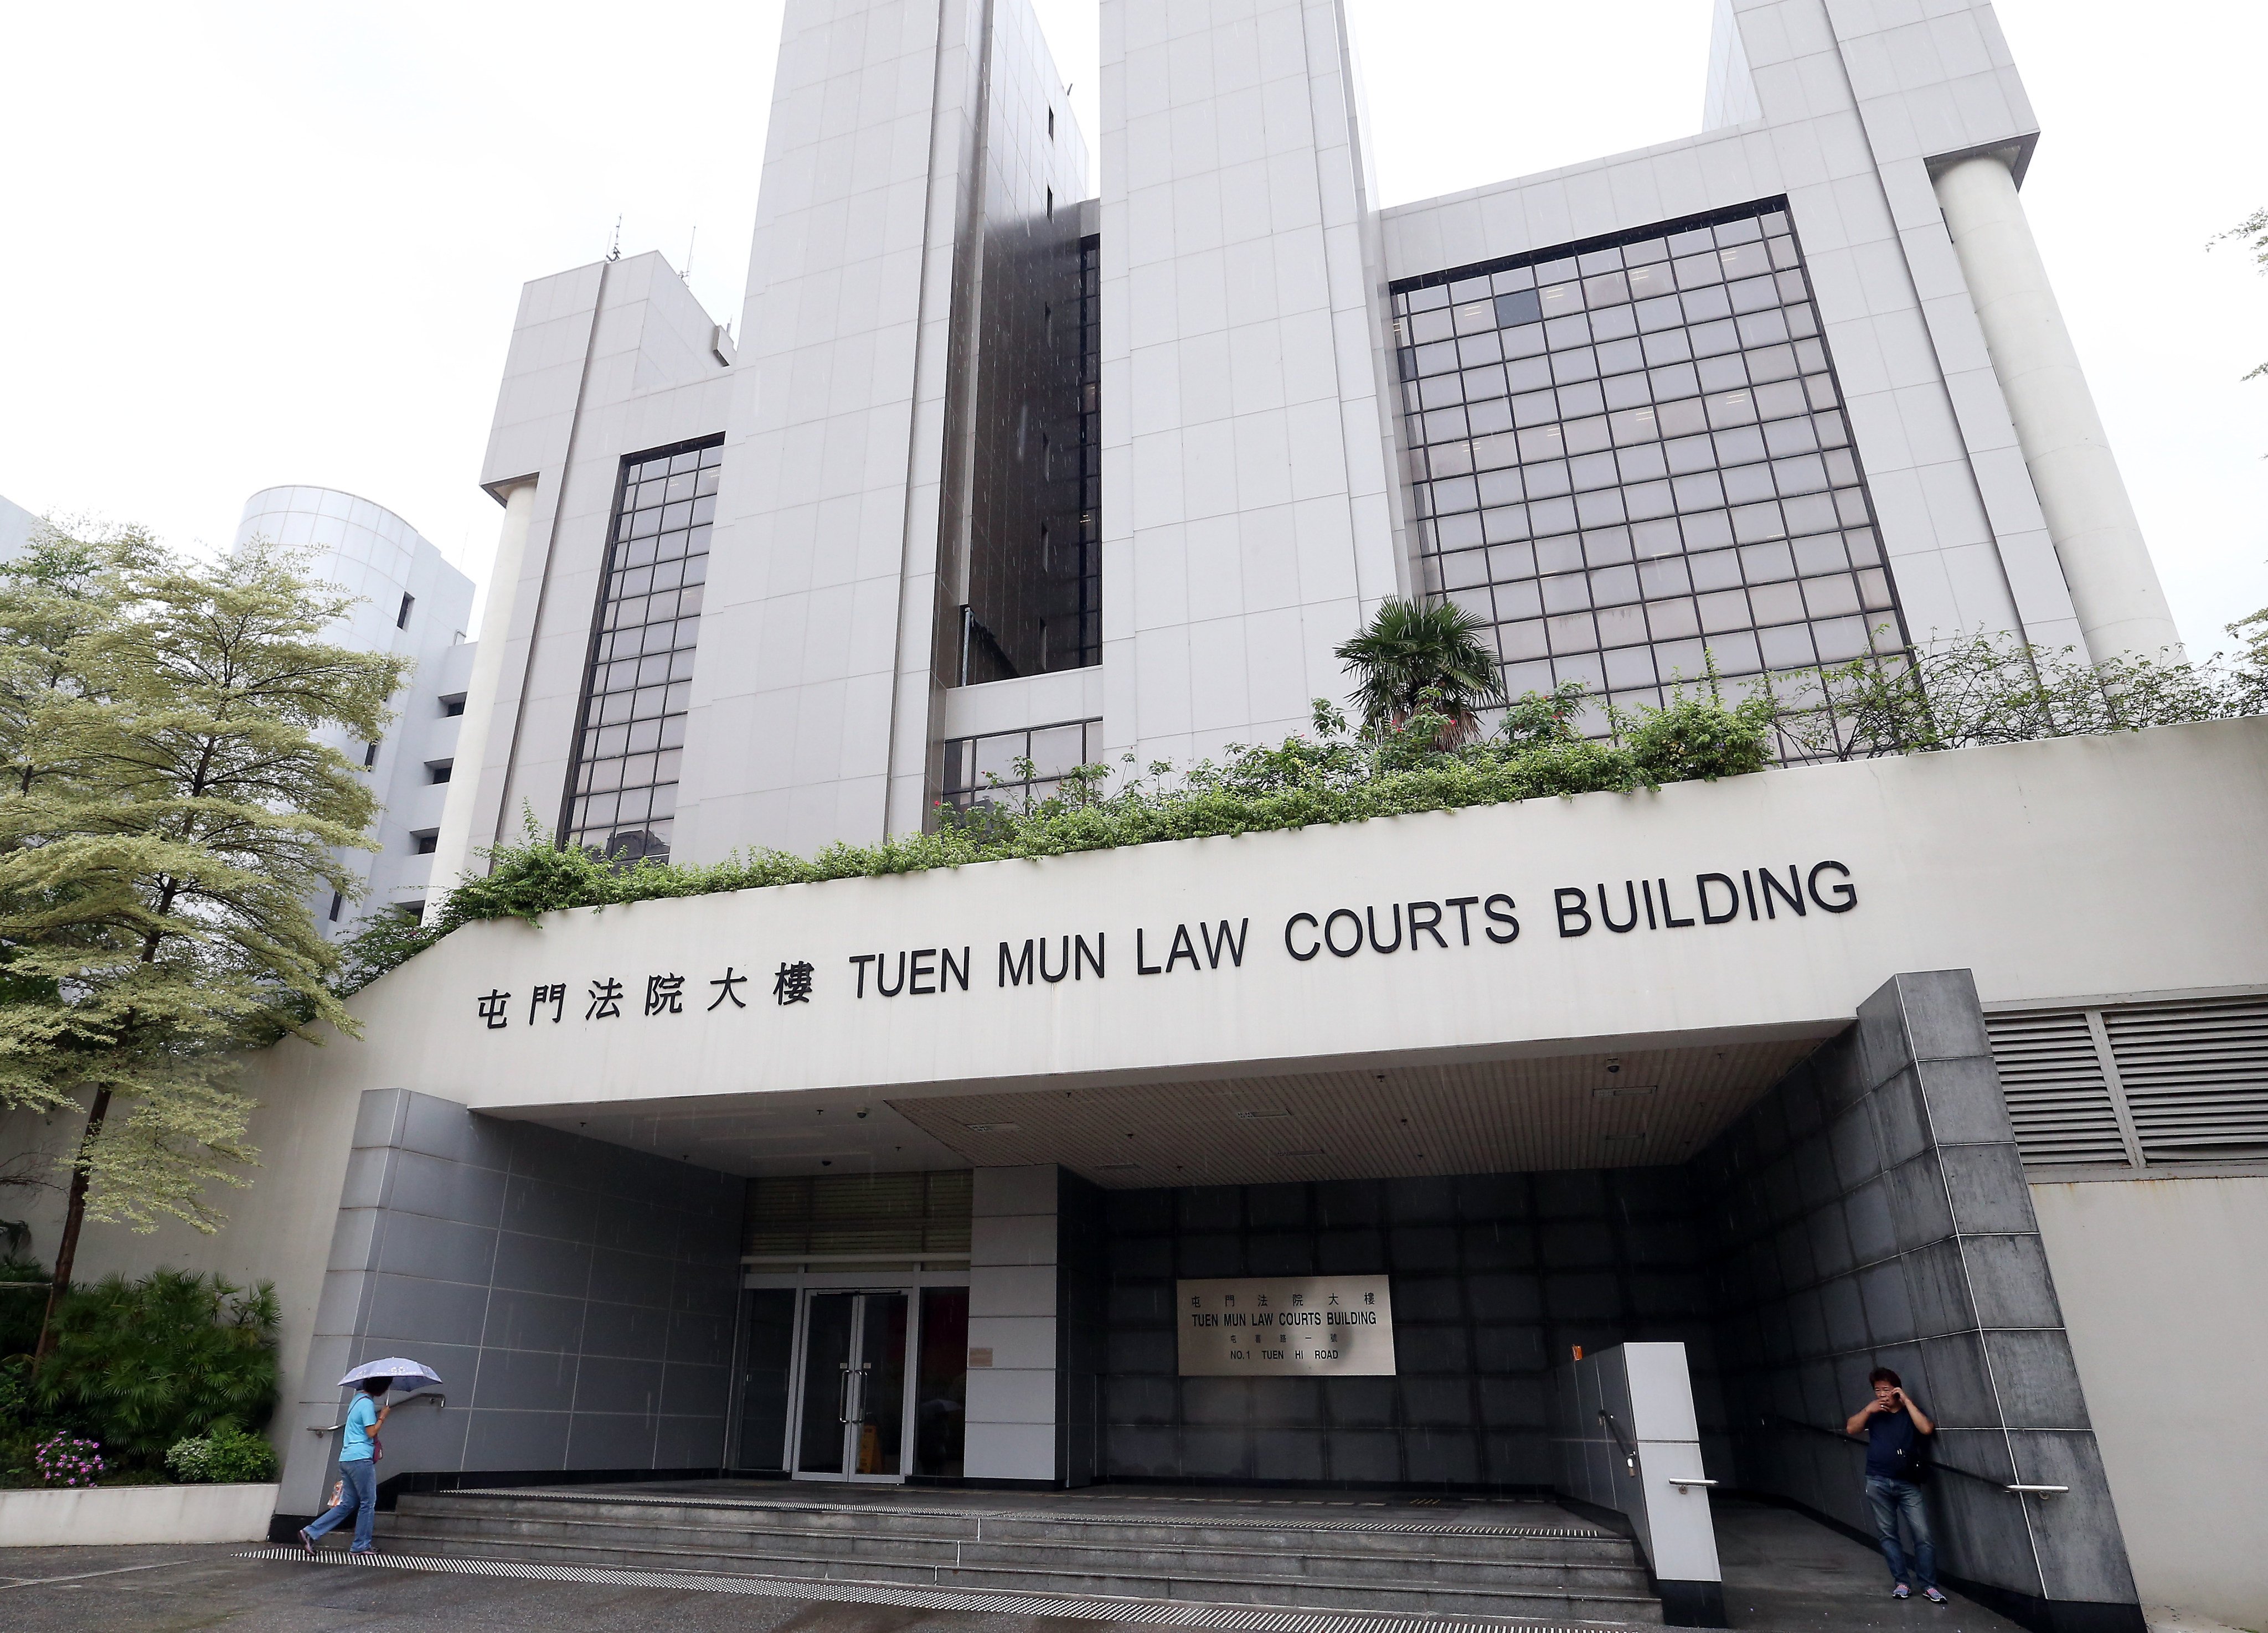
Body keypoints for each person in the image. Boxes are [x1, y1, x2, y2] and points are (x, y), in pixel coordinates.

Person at [1846, 1366, 1947, 1604]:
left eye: (1887, 1389)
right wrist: (1867, 1410)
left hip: (1908, 1483)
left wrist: (1907, 1401)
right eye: (1878, 1390)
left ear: (1896, 1390)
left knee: (1923, 1535)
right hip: (1878, 1480)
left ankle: (1929, 1585)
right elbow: (1851, 1428)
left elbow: (1926, 1428)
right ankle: (1901, 1582)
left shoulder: (1909, 1412)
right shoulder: (1874, 1413)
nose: (1882, 1394)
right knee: (1888, 1535)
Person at [298, 1376, 390, 1554]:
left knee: (348, 1503)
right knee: (368, 1502)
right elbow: (371, 1432)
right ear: (380, 1389)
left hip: (346, 1458)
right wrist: (383, 1417)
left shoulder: (356, 1401)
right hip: (360, 1459)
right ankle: (361, 1545)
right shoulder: (367, 1405)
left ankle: (311, 1531)